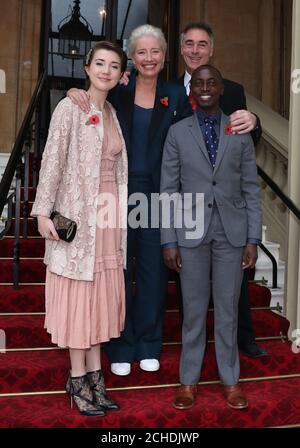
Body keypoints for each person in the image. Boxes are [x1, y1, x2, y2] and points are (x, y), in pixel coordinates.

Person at [67, 25, 191, 376]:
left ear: (164, 57)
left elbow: (185, 144)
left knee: (152, 271)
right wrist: (77, 91)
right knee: (117, 271)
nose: (148, 58)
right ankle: (120, 343)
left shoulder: (175, 96)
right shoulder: (119, 91)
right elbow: (92, 97)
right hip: (116, 192)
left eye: (155, 52)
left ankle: (149, 342)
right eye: (141, 52)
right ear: (131, 59)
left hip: (157, 195)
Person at [31, 41, 128, 416]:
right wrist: (42, 213)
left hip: (107, 218)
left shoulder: (113, 115)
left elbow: (118, 174)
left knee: (99, 298)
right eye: (99, 63)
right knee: (78, 298)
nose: (106, 70)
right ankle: (77, 379)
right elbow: (52, 162)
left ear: (121, 75)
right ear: (87, 68)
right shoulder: (70, 107)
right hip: (77, 218)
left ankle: (94, 376)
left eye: (114, 66)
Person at [160, 65, 262, 410]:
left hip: (231, 234)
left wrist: (252, 238)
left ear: (221, 89)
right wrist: (169, 241)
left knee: (228, 311)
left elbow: (251, 188)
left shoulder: (239, 131)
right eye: (199, 83)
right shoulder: (177, 133)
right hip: (189, 233)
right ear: (193, 90)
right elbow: (168, 190)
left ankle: (230, 380)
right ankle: (188, 381)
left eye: (211, 83)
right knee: (192, 311)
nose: (205, 88)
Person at [175, 21, 267, 358]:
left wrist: (254, 121)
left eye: (202, 44)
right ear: (182, 48)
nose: (196, 50)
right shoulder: (168, 91)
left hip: (227, 205)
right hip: (188, 205)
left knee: (236, 283)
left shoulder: (233, 89)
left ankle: (244, 337)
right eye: (189, 43)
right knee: (188, 287)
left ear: (211, 49)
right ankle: (193, 347)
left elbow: (247, 139)